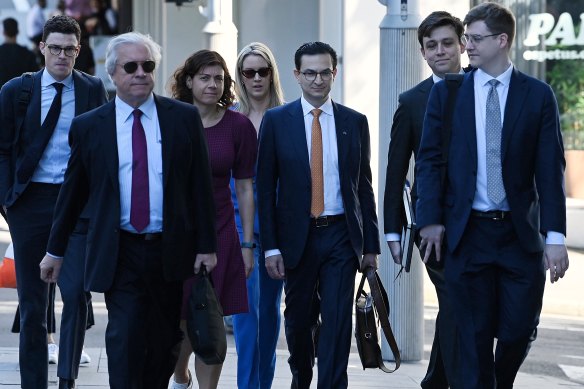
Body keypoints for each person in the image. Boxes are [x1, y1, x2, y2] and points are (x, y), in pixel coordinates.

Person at [39, 31, 218, 389]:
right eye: (131, 66)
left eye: (147, 66)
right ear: (113, 74)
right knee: (124, 338)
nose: (140, 73)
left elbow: (201, 186)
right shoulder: (90, 126)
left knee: (165, 341)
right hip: (119, 250)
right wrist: (55, 251)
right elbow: (72, 196)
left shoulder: (182, 119)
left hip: (169, 248)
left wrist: (207, 245)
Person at [415, 3, 569, 388]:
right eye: (466, 38)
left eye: (475, 38)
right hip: (468, 236)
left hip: (519, 236)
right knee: (472, 338)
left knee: (519, 330)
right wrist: (430, 220)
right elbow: (430, 162)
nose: (467, 46)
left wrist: (555, 236)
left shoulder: (537, 95)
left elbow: (550, 169)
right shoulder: (449, 94)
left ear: (502, 41)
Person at [256, 41, 380, 389]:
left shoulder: (354, 122)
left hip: (341, 235)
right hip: (297, 238)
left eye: (325, 72)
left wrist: (371, 246)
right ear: (296, 75)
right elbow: (265, 188)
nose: (317, 79)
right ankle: (301, 376)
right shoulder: (277, 121)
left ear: (334, 73)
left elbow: (363, 187)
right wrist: (270, 247)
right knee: (297, 320)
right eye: (309, 72)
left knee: (338, 320)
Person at [0, 15, 107, 389]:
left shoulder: (93, 89)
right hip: (30, 203)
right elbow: (2, 149)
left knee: (76, 295)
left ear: (79, 51)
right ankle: (34, 384)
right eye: (56, 48)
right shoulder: (17, 91)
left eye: (70, 49)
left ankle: (66, 381)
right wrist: (8, 202)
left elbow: (103, 148)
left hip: (76, 204)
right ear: (42, 48)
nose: (62, 55)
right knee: (32, 306)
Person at [382, 11, 465, 389]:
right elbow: (395, 171)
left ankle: (438, 380)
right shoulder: (412, 101)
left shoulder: (487, 91)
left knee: (461, 305)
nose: (440, 51)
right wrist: (393, 233)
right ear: (422, 52)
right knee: (455, 296)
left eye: (448, 43)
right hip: (431, 225)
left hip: (480, 221)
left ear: (463, 44)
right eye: (431, 46)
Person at [168, 49, 257, 389]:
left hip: (220, 232)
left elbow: (246, 187)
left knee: (210, 315)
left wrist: (247, 244)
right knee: (180, 318)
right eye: (204, 77)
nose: (212, 84)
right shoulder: (171, 118)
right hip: (177, 233)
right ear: (188, 81)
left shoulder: (238, 126)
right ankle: (180, 374)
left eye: (218, 78)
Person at [231, 42, 285, 389]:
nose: (255, 78)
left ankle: (262, 384)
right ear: (239, 76)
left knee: (270, 314)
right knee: (245, 315)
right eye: (248, 72)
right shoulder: (230, 118)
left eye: (262, 71)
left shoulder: (288, 116)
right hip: (238, 225)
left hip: (278, 225)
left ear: (272, 74)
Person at [0, 17, 39, 87]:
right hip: (22, 95)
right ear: (18, 31)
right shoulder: (28, 54)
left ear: (4, 32)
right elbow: (36, 78)